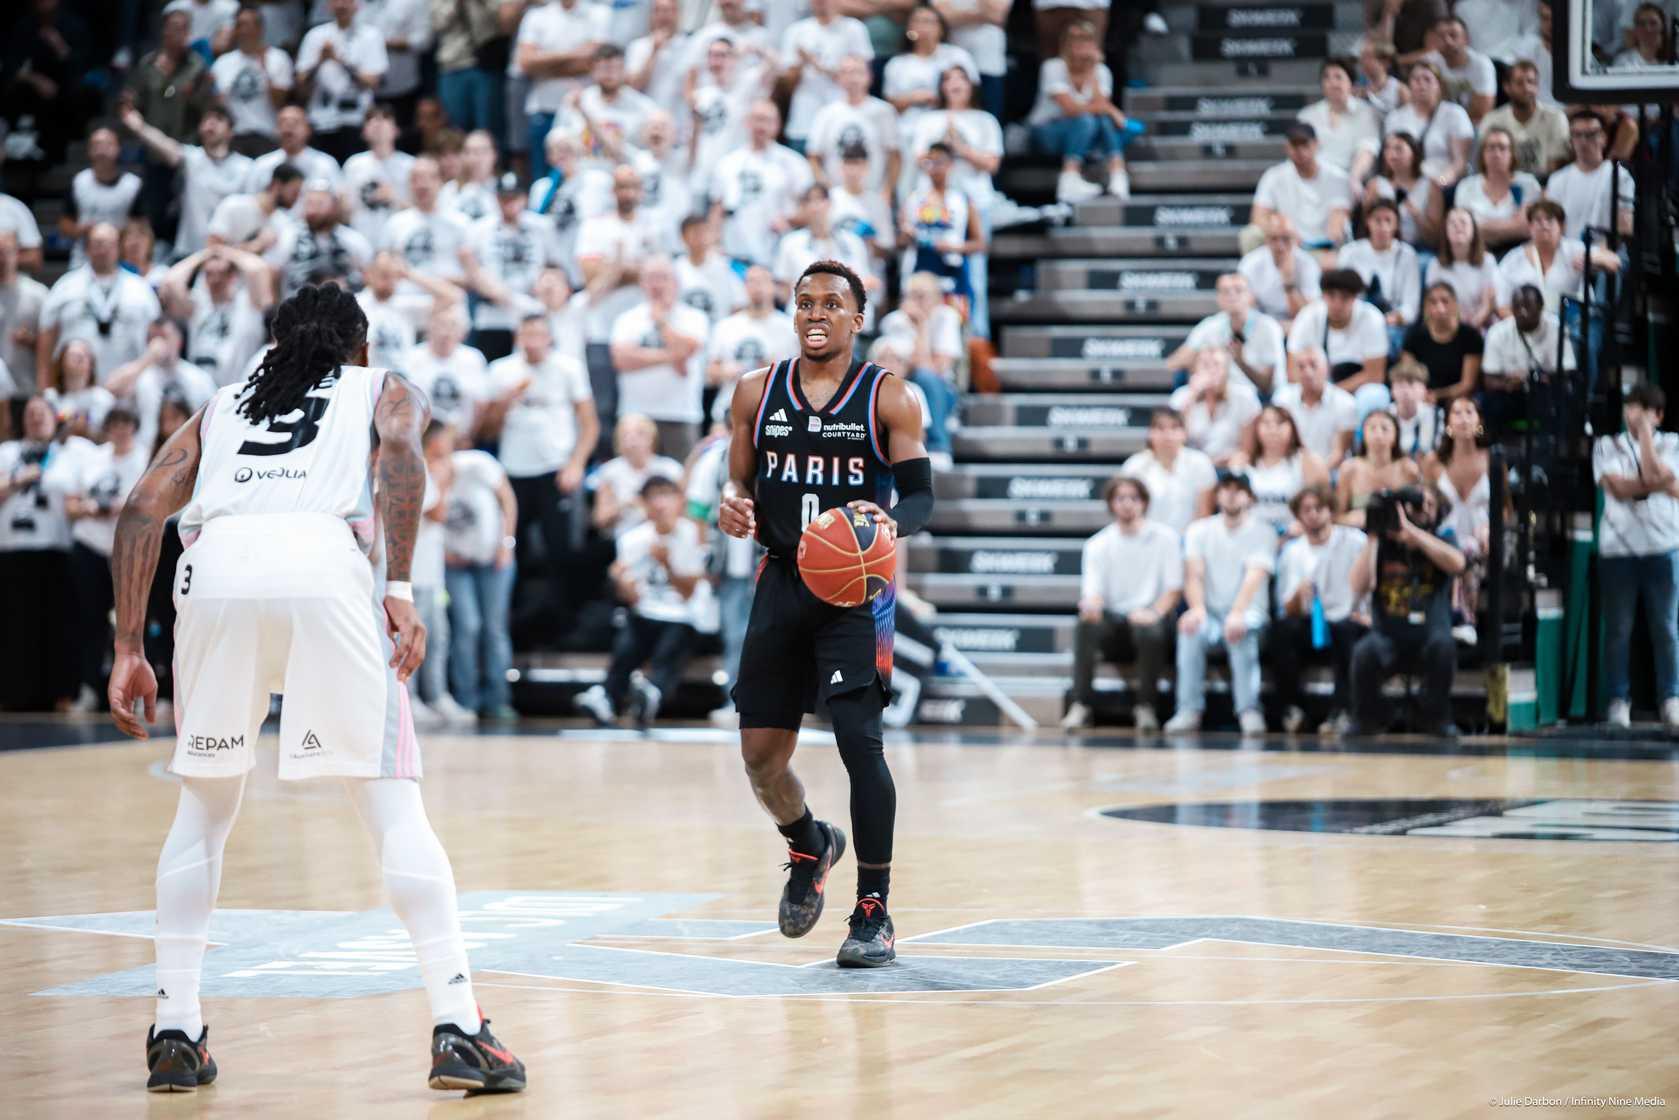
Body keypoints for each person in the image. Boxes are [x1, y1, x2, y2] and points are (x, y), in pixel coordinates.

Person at [104, 284, 526, 1093]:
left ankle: (174, 1029)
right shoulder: (384, 386)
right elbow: (401, 457)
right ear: (357, 346)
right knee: (390, 802)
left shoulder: (223, 404)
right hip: (321, 567)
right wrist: (399, 585)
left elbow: (139, 510)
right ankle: (460, 1026)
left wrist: (129, 645)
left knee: (204, 809)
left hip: (215, 572)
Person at [718, 259, 932, 968]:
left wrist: (888, 523)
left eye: (831, 303)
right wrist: (731, 504)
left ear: (857, 319)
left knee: (858, 744)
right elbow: (737, 480)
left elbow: (922, 497)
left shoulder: (889, 398)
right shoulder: (755, 392)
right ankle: (810, 843)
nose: (815, 313)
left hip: (853, 594)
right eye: (804, 302)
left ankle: (873, 909)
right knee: (759, 761)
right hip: (780, 581)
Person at [484, 313, 600, 629]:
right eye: (526, 334)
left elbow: (590, 423)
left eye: (539, 334)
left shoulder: (568, 368)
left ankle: (564, 624)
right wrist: (505, 401)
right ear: (518, 337)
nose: (532, 341)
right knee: (512, 549)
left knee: (560, 550)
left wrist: (576, 463)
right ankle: (513, 621)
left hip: (556, 469)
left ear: (549, 337)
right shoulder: (501, 370)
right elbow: (488, 429)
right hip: (513, 471)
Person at [575, 474, 707, 727]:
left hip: (682, 614)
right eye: (653, 497)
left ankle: (652, 691)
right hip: (646, 612)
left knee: (672, 643)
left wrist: (666, 563)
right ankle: (607, 697)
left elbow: (689, 592)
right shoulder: (632, 539)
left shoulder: (692, 535)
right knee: (628, 641)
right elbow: (633, 598)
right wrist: (621, 583)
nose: (660, 504)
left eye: (666, 496)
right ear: (644, 504)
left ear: (679, 501)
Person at [1062, 475, 1182, 732]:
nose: (1127, 504)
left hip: (1152, 617)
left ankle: (1145, 707)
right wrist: (1091, 606)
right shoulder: (1097, 544)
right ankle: (1081, 704)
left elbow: (1174, 589)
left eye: (1133, 498)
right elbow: (1093, 593)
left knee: (1149, 630)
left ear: (1144, 503)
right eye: (1121, 498)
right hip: (1116, 621)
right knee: (1085, 625)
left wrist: (1154, 612)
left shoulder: (1165, 538)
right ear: (1111, 504)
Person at [1346, 484, 1467, 736]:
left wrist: (1415, 535)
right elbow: (1357, 586)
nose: (1423, 510)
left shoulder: (1442, 535)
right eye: (1417, 504)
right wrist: (1373, 538)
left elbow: (1458, 564)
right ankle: (1369, 718)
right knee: (1363, 653)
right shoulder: (1383, 542)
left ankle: (1436, 718)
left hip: (1430, 634)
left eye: (1430, 504)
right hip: (1388, 635)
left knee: (1444, 646)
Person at [1164, 471, 1277, 736]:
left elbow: (1255, 575)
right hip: (1211, 613)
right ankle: (1188, 709)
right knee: (1191, 628)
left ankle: (1249, 709)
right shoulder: (1199, 530)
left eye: (1238, 489)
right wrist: (1198, 609)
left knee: (1239, 631)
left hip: (1251, 613)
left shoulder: (1263, 531)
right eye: (1225, 488)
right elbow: (1193, 574)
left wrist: (1237, 613)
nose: (1231, 494)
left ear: (1249, 497)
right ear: (1217, 495)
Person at [1593, 383, 1679, 730]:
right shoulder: (1606, 444)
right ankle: (1618, 699)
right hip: (1618, 550)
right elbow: (1618, 487)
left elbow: (1664, 476)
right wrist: (1657, 483)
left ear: (1657, 415)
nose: (1635, 414)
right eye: (1631, 408)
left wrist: (1646, 440)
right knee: (1618, 630)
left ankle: (1671, 699)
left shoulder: (1672, 442)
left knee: (1667, 628)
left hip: (1663, 548)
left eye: (1644, 410)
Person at [58, 406, 151, 711]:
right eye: (115, 424)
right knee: (90, 622)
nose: (121, 430)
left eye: (126, 423)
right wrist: (99, 507)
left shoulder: (144, 456)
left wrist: (102, 506)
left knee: (133, 624)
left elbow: (141, 503)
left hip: (128, 551)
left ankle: (137, 691)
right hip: (90, 546)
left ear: (134, 427)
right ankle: (88, 690)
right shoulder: (94, 457)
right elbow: (72, 505)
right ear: (108, 428)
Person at [1271, 485, 1370, 735]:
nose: (1313, 514)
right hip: (1311, 623)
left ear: (1331, 511)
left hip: (1349, 618)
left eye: (1319, 508)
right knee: (1282, 631)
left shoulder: (1354, 540)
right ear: (1298, 515)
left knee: (1345, 630)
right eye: (1306, 509)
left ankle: (1343, 711)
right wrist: (1296, 596)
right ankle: (1292, 710)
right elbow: (1287, 607)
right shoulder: (1292, 552)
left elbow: (1368, 585)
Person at [0, 397, 78, 711]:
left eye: (42, 413)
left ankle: (57, 693)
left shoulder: (68, 455)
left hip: (54, 548)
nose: (36, 419)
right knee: (12, 625)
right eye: (30, 414)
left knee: (54, 624)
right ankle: (12, 694)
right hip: (12, 549)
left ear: (53, 418)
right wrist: (19, 478)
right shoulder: (6, 452)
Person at [443, 428, 519, 722]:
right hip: (455, 564)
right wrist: (443, 554)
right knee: (466, 627)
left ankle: (498, 699)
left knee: (494, 628)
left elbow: (508, 500)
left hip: (495, 559)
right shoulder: (425, 472)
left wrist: (507, 543)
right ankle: (466, 700)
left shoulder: (477, 463)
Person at [609, 258, 710, 462]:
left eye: (663, 278)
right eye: (651, 278)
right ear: (642, 284)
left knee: (682, 481)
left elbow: (690, 348)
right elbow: (621, 360)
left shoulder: (694, 317)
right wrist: (673, 356)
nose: (657, 285)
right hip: (636, 415)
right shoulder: (627, 319)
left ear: (676, 283)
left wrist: (661, 323)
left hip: (681, 413)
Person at [38, 223, 163, 382]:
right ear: (87, 248)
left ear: (119, 248)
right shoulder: (65, 287)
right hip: (76, 390)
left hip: (129, 387)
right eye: (97, 243)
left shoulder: (141, 289)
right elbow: (47, 335)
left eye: (109, 244)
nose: (103, 249)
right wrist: (43, 384)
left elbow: (156, 336)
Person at [1026, 19, 1133, 202]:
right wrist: (1111, 110)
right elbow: (1070, 109)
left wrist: (1091, 71)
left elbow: (1100, 107)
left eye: (1086, 39)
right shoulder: (1053, 67)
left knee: (1102, 121)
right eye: (1075, 39)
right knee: (1086, 119)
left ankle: (1118, 174)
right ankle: (1069, 178)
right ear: (1065, 43)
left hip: (1084, 133)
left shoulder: (1101, 71)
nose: (1080, 45)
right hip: (1046, 132)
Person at [463, 172, 558, 363]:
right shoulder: (480, 229)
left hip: (533, 314)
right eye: (504, 198)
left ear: (524, 198)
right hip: (493, 316)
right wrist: (506, 297)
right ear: (496, 199)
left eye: (515, 197)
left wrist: (542, 291)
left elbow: (553, 266)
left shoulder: (542, 227)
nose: (510, 203)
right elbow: (470, 268)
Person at [710, 100, 814, 270]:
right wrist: (713, 244)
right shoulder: (728, 163)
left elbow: (812, 209)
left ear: (778, 125)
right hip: (736, 256)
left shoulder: (793, 163)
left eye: (768, 121)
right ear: (747, 122)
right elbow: (717, 210)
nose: (762, 126)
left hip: (778, 255)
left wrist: (790, 219)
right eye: (758, 119)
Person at [515, 0, 610, 182]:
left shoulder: (598, 13)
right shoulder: (536, 15)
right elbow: (526, 63)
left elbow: (594, 61)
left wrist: (545, 62)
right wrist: (574, 54)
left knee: (583, 175)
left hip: (582, 114)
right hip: (544, 107)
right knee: (543, 179)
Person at [1422, 397, 1492, 644]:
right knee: (1457, 547)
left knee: (1471, 547)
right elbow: (1426, 507)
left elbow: (1505, 510)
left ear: (1479, 420)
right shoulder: (1433, 462)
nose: (1463, 418)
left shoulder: (1492, 458)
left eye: (1469, 412)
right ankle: (1458, 617)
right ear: (1448, 423)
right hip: (1446, 536)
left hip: (1484, 539)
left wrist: (1488, 529)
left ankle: (1464, 616)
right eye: (1457, 413)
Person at [103, 319, 219, 452]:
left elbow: (214, 417)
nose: (158, 343)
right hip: (148, 455)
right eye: (152, 338)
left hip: (191, 451)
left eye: (164, 337)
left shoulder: (198, 377)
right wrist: (148, 358)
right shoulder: (141, 372)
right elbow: (111, 388)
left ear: (179, 340)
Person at [1164, 272, 1284, 396]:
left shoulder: (1269, 328)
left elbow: (1268, 386)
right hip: (1219, 394)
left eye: (1238, 290)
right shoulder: (1210, 325)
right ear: (1218, 298)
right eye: (1225, 291)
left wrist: (1241, 361)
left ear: (1251, 296)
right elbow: (1173, 363)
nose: (1232, 296)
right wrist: (1202, 358)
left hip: (1259, 398)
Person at [1480, 283, 1577, 436]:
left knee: (1565, 399)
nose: (1522, 312)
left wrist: (1537, 379)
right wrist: (1507, 384)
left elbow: (1568, 371)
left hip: (1545, 393)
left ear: (1541, 307)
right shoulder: (1497, 333)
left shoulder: (1557, 329)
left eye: (1528, 306)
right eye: (1517, 307)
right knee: (1490, 402)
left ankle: (1556, 451)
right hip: (1511, 393)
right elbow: (1488, 380)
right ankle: (1495, 449)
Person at [1287, 269, 1391, 410]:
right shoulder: (1308, 316)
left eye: (1344, 297)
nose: (1337, 304)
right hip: (1316, 385)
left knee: (1373, 395)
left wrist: (1331, 395)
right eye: (1331, 296)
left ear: (1355, 298)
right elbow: (1293, 371)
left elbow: (1374, 375)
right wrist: (1317, 392)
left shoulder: (1372, 319)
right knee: (1283, 396)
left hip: (1356, 390)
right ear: (1323, 295)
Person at [707, 265, 799, 422]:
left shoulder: (790, 327)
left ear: (773, 287)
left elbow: (801, 375)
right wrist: (725, 371)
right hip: (729, 410)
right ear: (744, 287)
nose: (757, 287)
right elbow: (710, 373)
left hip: (775, 412)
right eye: (752, 281)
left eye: (763, 281)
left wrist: (774, 369)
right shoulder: (726, 326)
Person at [1498, 199, 1621, 316]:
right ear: (1530, 227)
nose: (1544, 225)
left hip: (1571, 326)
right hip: (1526, 326)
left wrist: (1592, 259)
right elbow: (1502, 307)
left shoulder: (1573, 249)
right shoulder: (1513, 259)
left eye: (1550, 220)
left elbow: (1615, 262)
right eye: (1538, 220)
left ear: (1561, 226)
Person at [781, 0, 875, 154]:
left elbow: (863, 78)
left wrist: (816, 64)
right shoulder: (796, 31)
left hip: (844, 118)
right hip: (804, 120)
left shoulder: (854, 28)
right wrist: (799, 65)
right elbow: (788, 85)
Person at [1251, 122, 1352, 254]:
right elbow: (1258, 217)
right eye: (1295, 145)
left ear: (1316, 144)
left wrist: (1321, 244)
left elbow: (1338, 222)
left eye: (1305, 144)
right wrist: (1284, 231)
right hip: (1286, 245)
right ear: (1287, 147)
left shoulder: (1337, 177)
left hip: (1324, 247)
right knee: (1251, 234)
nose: (1300, 151)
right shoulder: (1273, 176)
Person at [806, 55, 901, 196]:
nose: (853, 78)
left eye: (858, 72)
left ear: (869, 76)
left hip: (874, 194)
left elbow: (895, 156)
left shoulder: (884, 111)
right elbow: (813, 157)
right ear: (838, 78)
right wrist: (828, 193)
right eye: (847, 72)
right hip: (837, 197)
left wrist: (886, 193)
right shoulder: (826, 113)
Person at [883, 3, 979, 141]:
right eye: (917, 21)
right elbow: (889, 106)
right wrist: (912, 98)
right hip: (907, 130)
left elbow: (973, 95)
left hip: (950, 128)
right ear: (909, 28)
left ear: (941, 28)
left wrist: (940, 97)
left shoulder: (957, 56)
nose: (923, 26)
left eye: (928, 21)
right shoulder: (897, 63)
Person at [1336, 198, 1421, 349]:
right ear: (1368, 222)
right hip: (1355, 319)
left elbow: (1410, 307)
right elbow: (1340, 293)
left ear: (1396, 224)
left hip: (1390, 323)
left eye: (1388, 220)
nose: (1382, 226)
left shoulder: (1407, 255)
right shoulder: (1350, 252)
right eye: (1377, 220)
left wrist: (1387, 319)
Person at [210, 6, 294, 154]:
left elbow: (280, 103)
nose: (244, 31)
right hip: (234, 137)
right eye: (239, 25)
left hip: (268, 135)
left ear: (260, 28)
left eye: (248, 25)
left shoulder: (278, 58)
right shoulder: (222, 63)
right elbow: (217, 107)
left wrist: (265, 69)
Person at [1120, 408, 1218, 535]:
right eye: (1160, 428)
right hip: (1147, 541)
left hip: (1188, 544)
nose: (1168, 435)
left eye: (1174, 428)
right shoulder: (1134, 466)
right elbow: (1129, 513)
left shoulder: (1200, 463)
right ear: (1150, 433)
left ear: (1184, 433)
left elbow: (1204, 514)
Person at [1544, 110, 1637, 241]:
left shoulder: (1620, 176)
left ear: (1603, 138)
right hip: (1567, 254)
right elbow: (1551, 225)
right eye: (1577, 135)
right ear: (1571, 140)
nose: (1583, 141)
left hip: (1606, 253)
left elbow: (1625, 227)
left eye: (1590, 135)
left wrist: (1598, 254)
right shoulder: (1557, 179)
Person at [403, 302, 489, 438]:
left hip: (462, 438)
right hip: (421, 437)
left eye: (452, 326)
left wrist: (469, 437)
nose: (445, 332)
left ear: (462, 331)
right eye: (440, 325)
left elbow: (481, 404)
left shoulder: (474, 359)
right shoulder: (411, 357)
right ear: (429, 327)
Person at [62, 126, 142, 271]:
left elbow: (141, 225)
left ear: (118, 149)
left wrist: (116, 234)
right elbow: (65, 222)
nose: (101, 150)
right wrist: (82, 231)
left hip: (121, 259)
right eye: (96, 145)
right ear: (89, 150)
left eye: (107, 144)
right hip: (82, 260)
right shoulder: (79, 182)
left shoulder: (132, 185)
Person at [1382, 61, 1473, 188]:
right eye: (1416, 79)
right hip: (1406, 183)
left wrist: (1440, 182)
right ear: (1409, 84)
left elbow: (1459, 162)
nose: (1421, 84)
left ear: (1438, 84)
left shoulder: (1455, 114)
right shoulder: (1395, 117)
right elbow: (1390, 159)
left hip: (1442, 182)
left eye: (1427, 79)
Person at [1477, 60, 1571, 178]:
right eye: (1519, 83)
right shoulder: (1491, 120)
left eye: (1531, 82)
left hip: (1544, 184)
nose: (1526, 88)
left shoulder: (1555, 118)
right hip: (1505, 184)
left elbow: (1556, 168)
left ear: (1537, 86)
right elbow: (1485, 163)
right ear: (1507, 87)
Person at [1456, 127, 1544, 252]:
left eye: (1502, 148)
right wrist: (1512, 224)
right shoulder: (1466, 186)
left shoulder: (1528, 184)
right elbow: (1462, 229)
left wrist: (1481, 227)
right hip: (1477, 253)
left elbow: (1526, 228)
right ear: (1482, 154)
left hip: (1519, 252)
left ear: (1512, 154)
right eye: (1491, 148)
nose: (1496, 153)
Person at [342, 104, 417, 248]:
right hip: (361, 241)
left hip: (399, 240)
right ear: (364, 131)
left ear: (396, 130)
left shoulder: (410, 165)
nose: (378, 122)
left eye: (385, 118)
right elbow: (346, 211)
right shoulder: (353, 165)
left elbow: (422, 210)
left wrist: (394, 199)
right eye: (371, 118)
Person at [1269, 348, 1357, 470]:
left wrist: (1316, 475)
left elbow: (1339, 453)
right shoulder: (1282, 398)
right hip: (1291, 471)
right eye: (1301, 367)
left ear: (1327, 369)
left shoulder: (1345, 402)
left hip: (1330, 473)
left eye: (1313, 365)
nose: (1307, 372)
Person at [1298, 58, 1382, 182]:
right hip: (1315, 181)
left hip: (1352, 181)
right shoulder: (1307, 116)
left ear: (1351, 83)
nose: (1333, 83)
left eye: (1338, 77)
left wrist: (1354, 178)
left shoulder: (1366, 112)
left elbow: (1367, 149)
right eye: (1327, 78)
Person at [1337, 410, 1424, 526]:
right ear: (1363, 434)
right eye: (1372, 428)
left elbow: (1421, 513)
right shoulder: (1349, 469)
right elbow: (1336, 516)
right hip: (1360, 535)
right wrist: (1351, 519)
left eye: (1384, 428)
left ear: (1395, 435)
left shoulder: (1408, 468)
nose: (1378, 434)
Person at [1400, 282, 1483, 404]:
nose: (1439, 307)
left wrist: (1437, 395)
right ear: (1426, 307)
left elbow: (1468, 384)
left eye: (1445, 301)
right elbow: (1408, 374)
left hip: (1459, 399)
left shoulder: (1470, 336)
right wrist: (1422, 396)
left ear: (1455, 304)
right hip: (1422, 399)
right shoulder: (1414, 336)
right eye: (1433, 302)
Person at [243, 105, 345, 199]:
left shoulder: (325, 163)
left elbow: (338, 200)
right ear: (275, 130)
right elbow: (250, 201)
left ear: (308, 129)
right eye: (283, 122)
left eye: (295, 122)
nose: (288, 127)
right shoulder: (262, 164)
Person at [1364, 131, 1443, 250]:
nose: (1392, 155)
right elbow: (1366, 225)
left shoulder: (1430, 187)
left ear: (1414, 153)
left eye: (1399, 149)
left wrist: (1416, 215)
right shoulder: (1375, 185)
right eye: (1388, 149)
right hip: (1383, 246)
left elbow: (1435, 236)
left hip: (1418, 247)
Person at [1424, 208, 1501, 329]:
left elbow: (1489, 304)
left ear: (1474, 230)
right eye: (1453, 224)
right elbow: (1433, 305)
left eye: (1463, 223)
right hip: (1447, 327)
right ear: (1445, 231)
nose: (1458, 227)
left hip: (1482, 326)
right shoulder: (1435, 265)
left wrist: (1472, 326)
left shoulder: (1488, 262)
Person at [1238, 215, 1320, 326]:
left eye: (1286, 239)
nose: (1280, 246)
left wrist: (1289, 285)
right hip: (1262, 325)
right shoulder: (1250, 264)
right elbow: (1246, 311)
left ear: (1296, 239)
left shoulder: (1308, 264)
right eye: (1274, 239)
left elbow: (1310, 315)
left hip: (1298, 325)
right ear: (1266, 240)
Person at [1419, 15, 1497, 124]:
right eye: (1441, 36)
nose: (1447, 41)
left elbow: (1482, 112)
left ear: (1466, 39)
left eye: (1453, 35)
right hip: (1441, 122)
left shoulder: (1482, 65)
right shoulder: (1431, 61)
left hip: (1475, 125)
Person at [0, 231, 49, 401]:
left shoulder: (38, 294)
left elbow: (52, 346)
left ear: (18, 253)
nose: (3, 259)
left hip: (26, 388)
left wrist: (32, 340)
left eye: (7, 251)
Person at [1387, 359, 1442, 458]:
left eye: (1411, 384)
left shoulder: (1437, 415)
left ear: (1425, 389)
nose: (1405, 390)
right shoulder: (1385, 415)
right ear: (1392, 390)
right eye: (1400, 385)